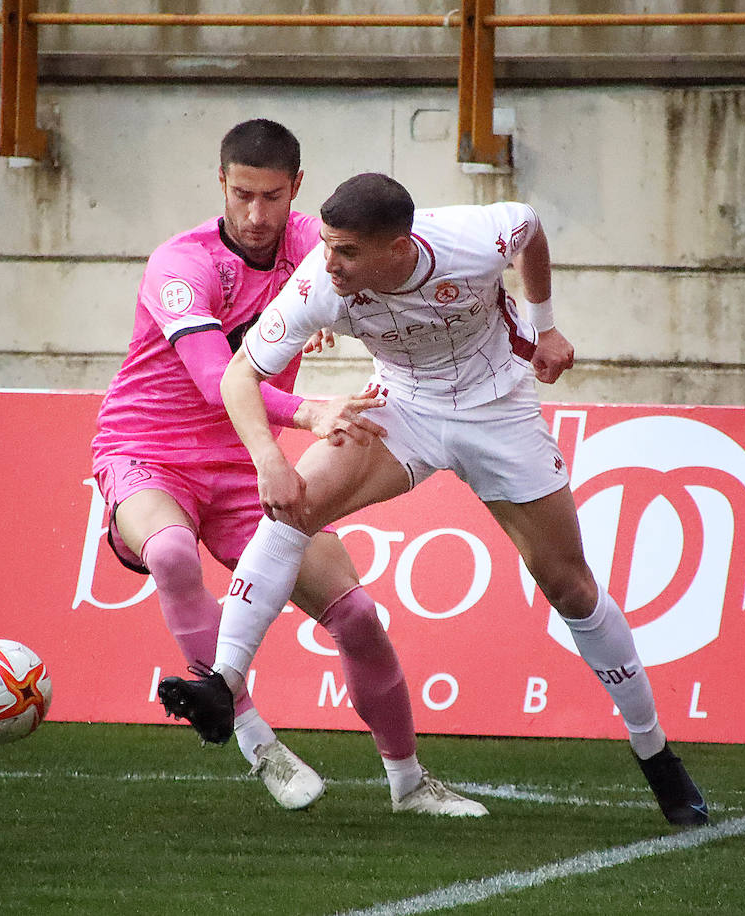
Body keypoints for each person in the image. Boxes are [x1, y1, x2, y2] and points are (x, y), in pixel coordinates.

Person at [161, 172, 710, 827]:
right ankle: (223, 682)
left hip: (498, 411)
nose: (328, 262)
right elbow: (238, 375)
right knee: (292, 504)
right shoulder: (316, 283)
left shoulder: (472, 239)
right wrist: (270, 459)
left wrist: (546, 325)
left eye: (347, 252)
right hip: (402, 408)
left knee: (570, 586)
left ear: (399, 248)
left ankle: (656, 754)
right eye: (327, 246)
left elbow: (530, 227)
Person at [95, 123, 484, 816]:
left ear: (295, 189)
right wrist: (308, 414)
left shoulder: (315, 245)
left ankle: (409, 784)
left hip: (246, 464)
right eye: (241, 194)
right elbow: (220, 376)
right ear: (220, 184)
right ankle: (255, 740)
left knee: (358, 615)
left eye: (270, 196)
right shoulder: (179, 266)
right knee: (174, 553)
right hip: (149, 451)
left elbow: (394, 268)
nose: (254, 214)